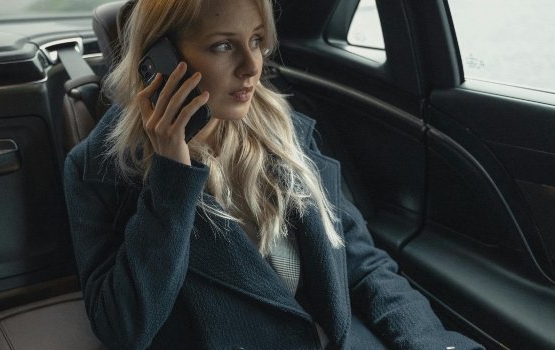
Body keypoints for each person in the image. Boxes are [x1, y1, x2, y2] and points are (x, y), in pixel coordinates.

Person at [64, 0, 484, 348]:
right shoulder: (97, 171)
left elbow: (362, 267)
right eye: (223, 46)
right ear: (159, 60)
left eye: (256, 40)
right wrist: (172, 175)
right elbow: (124, 327)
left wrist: (431, 342)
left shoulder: (285, 131)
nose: (252, 66)